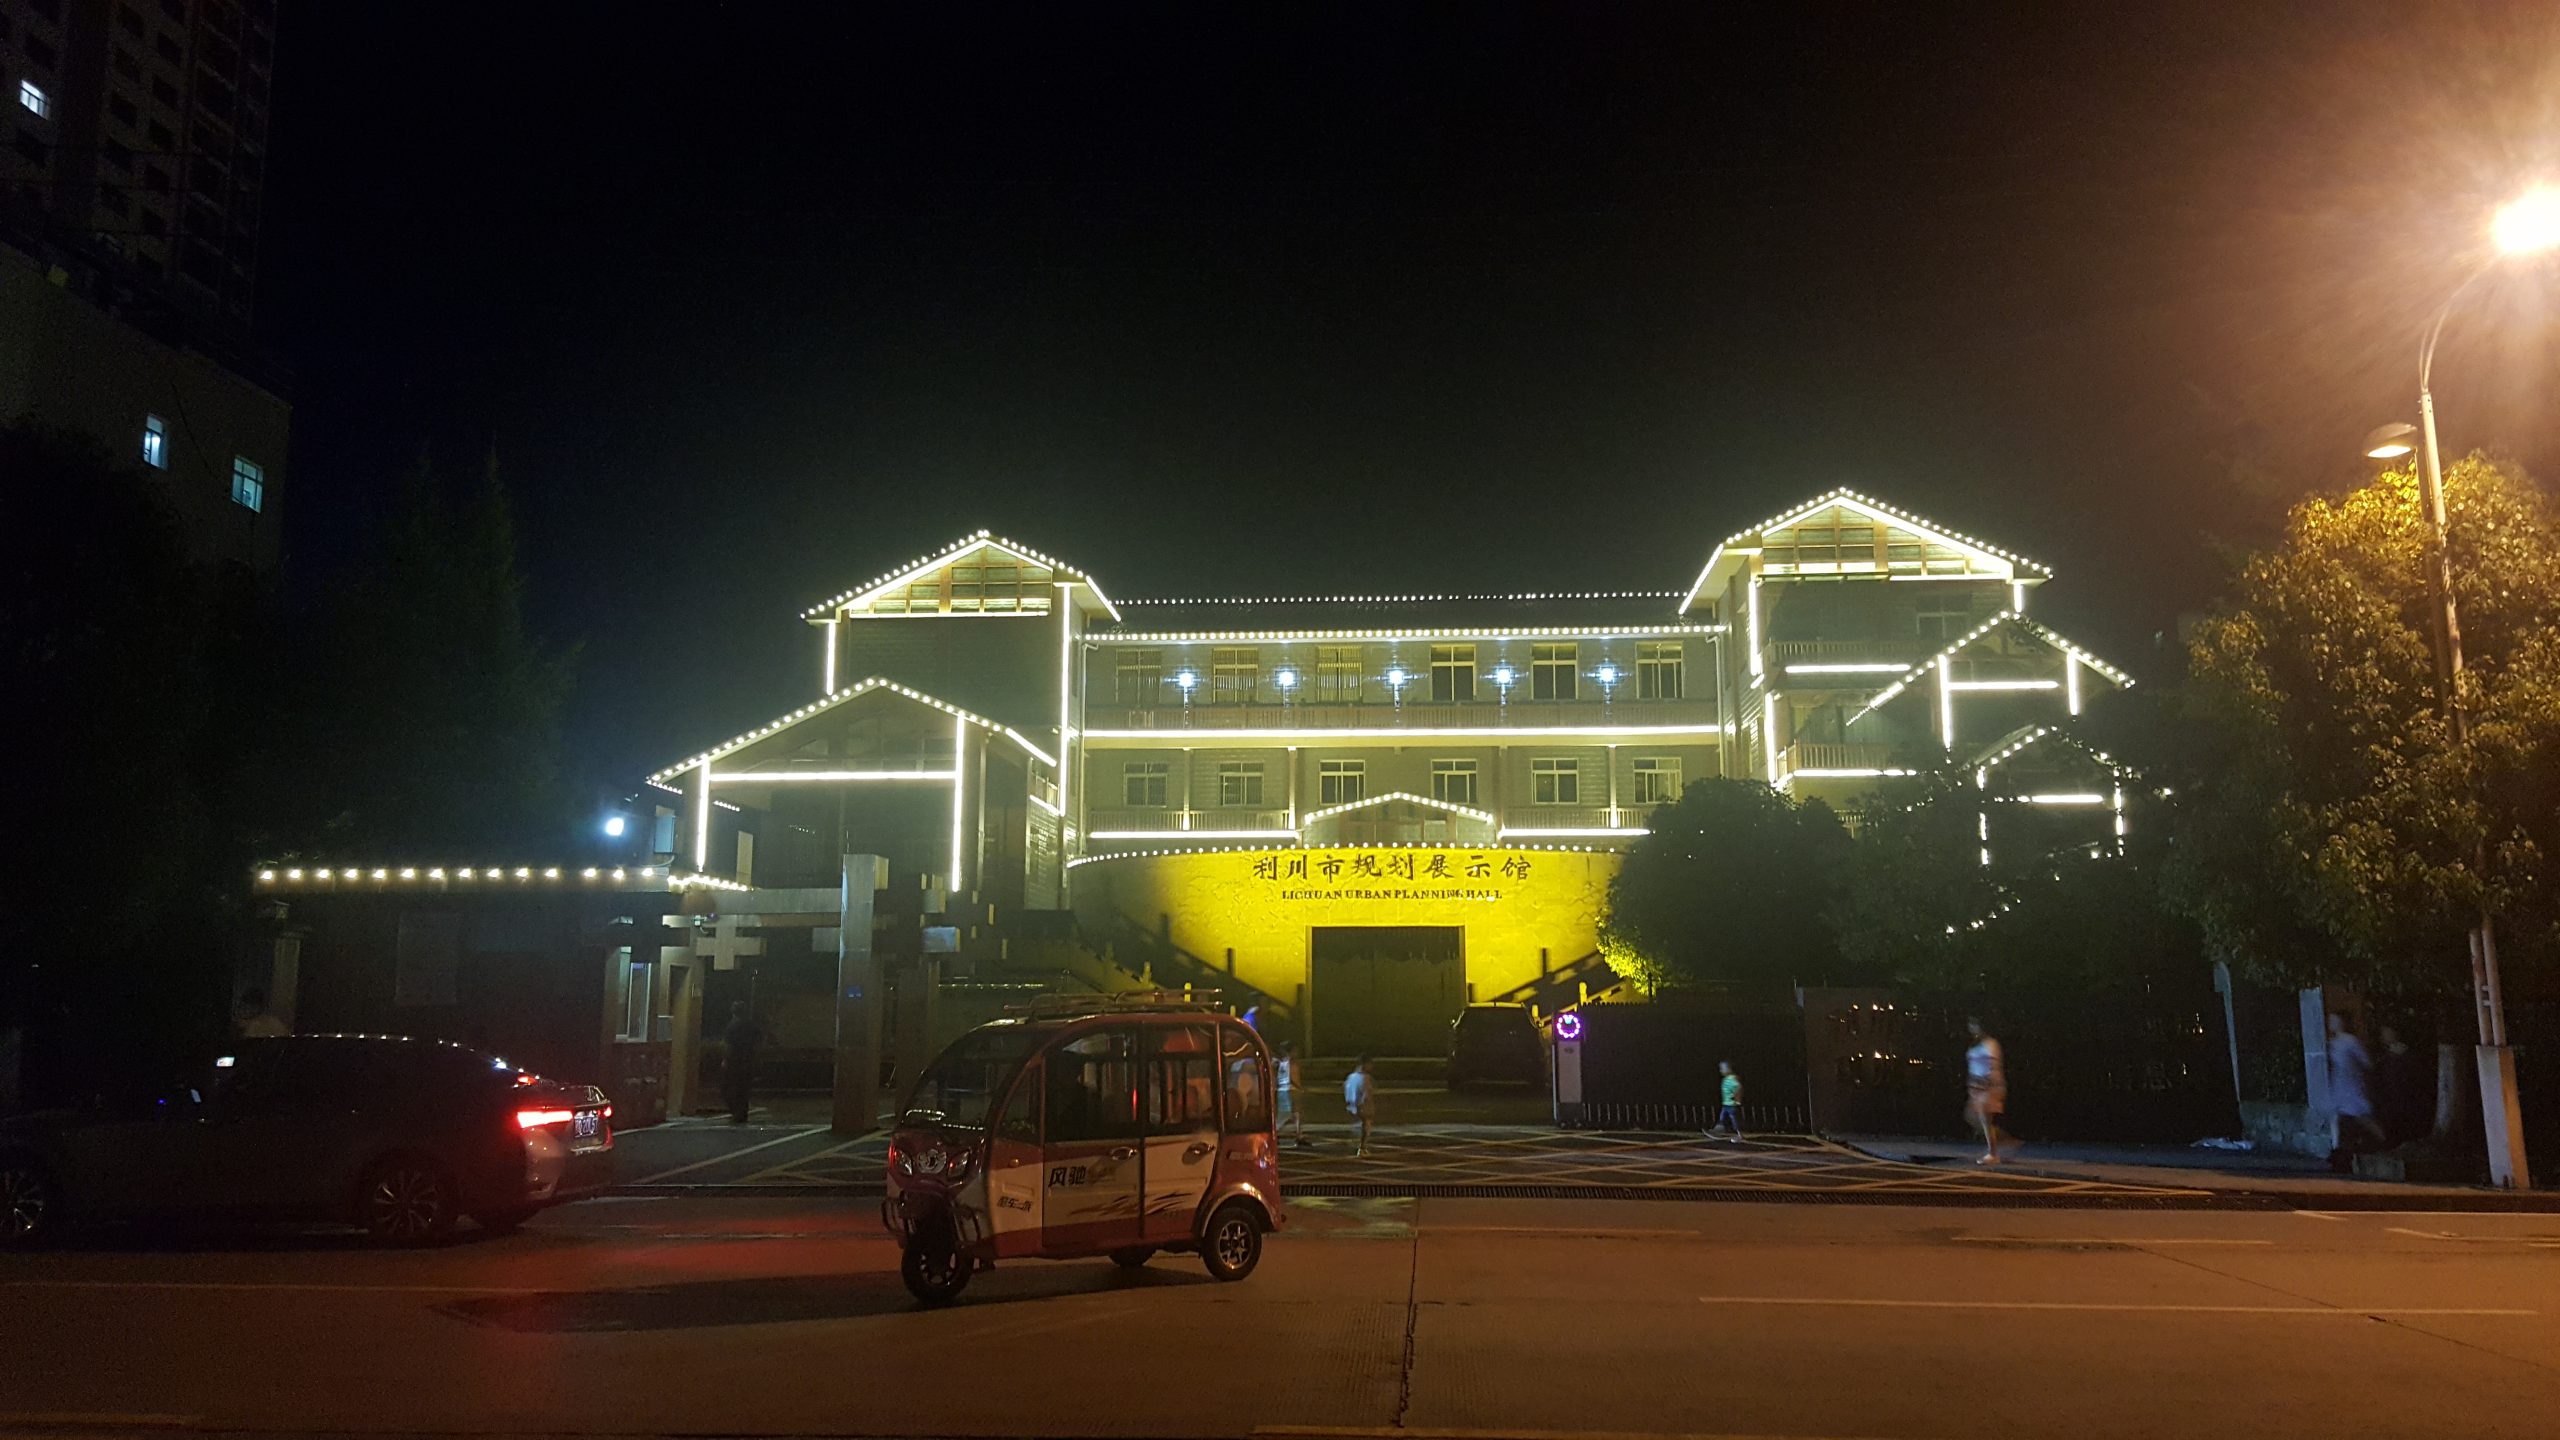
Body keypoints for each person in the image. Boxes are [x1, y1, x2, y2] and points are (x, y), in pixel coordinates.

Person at [2327, 1012, 2384, 1160]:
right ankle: (2341, 1152)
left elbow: (2366, 1062)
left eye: (2334, 1019)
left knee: (2361, 1115)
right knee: (2343, 1118)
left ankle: (2384, 1141)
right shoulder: (2333, 1043)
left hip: (2352, 1085)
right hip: (2340, 1086)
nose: (2331, 1023)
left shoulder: (2351, 1041)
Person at [1963, 1018, 2008, 1164]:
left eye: (1974, 1025)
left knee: (1984, 1119)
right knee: (1971, 1116)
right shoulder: (1976, 1044)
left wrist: (1984, 1082)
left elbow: (1991, 1065)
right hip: (1977, 1087)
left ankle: (1993, 1154)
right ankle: (2003, 1140)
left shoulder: (1991, 1044)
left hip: (1989, 1086)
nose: (1971, 1028)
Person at [722, 1001, 762, 1124]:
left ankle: (736, 1112)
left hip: (735, 1061)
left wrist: (725, 1060)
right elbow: (759, 1041)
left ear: (733, 1012)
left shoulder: (731, 1026)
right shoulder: (752, 1025)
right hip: (749, 1060)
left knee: (730, 1088)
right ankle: (742, 1113)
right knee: (744, 1089)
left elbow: (728, 1045)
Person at [1275, 1041, 1309, 1149]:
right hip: (1291, 1090)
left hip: (1283, 1089)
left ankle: (1299, 1135)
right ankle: (1274, 1132)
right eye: (1295, 1050)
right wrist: (1300, 1089)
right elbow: (1292, 1078)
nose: (1297, 1052)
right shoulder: (1292, 1063)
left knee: (1296, 1113)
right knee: (1288, 1114)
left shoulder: (1282, 1063)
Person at [1344, 1055, 1375, 1158]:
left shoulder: (1350, 1077)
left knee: (1358, 1126)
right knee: (1366, 1127)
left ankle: (1358, 1146)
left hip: (1351, 1105)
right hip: (1362, 1106)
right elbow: (1367, 1094)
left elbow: (1346, 1090)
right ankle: (1362, 1148)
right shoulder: (1365, 1078)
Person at [1707, 1059, 1744, 1140]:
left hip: (1731, 1104)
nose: (1721, 1071)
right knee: (1722, 1117)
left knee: (1733, 1119)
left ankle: (1739, 1135)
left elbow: (1738, 1087)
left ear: (1728, 1069)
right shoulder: (1726, 1079)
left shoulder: (1732, 1078)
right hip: (1726, 1104)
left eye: (1722, 1069)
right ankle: (1717, 1131)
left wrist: (1737, 1099)